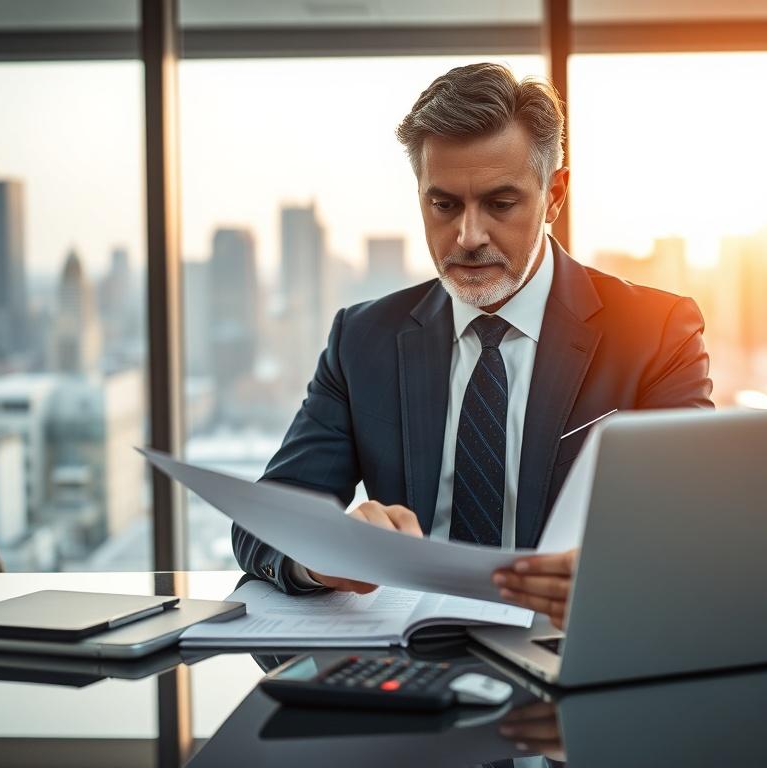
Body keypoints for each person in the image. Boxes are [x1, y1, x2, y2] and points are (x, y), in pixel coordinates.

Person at [233, 62, 713, 629]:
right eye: (444, 205)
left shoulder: (656, 332)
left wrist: (619, 570)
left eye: (500, 204)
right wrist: (326, 553)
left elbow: (696, 526)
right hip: (405, 661)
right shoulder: (363, 340)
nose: (468, 236)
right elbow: (265, 521)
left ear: (554, 194)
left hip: (575, 649)